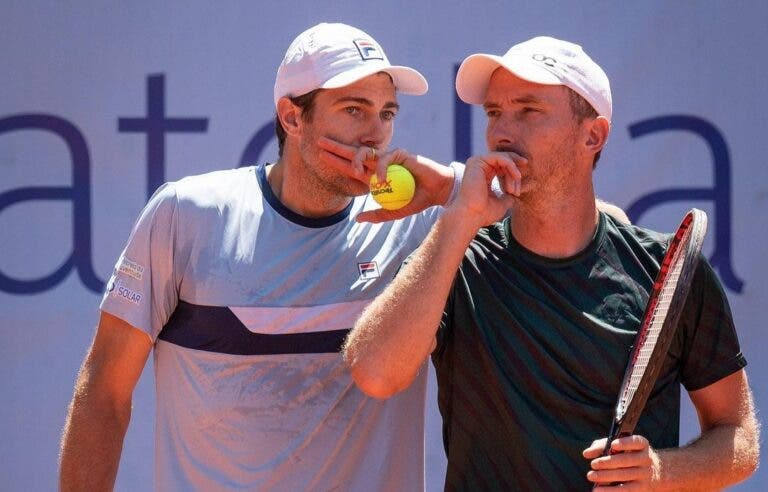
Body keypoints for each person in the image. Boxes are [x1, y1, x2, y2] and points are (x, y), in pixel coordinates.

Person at [58, 22, 463, 491]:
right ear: (292, 118)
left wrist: (452, 189)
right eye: (354, 109)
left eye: (386, 113)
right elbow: (104, 392)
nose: (375, 134)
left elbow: (545, 205)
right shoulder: (185, 215)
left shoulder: (425, 224)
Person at [344, 36, 759, 490]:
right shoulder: (455, 257)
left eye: (528, 111)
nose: (502, 131)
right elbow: (375, 373)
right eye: (495, 113)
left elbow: (738, 438)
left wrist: (662, 471)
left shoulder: (669, 271)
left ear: (592, 135)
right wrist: (459, 215)